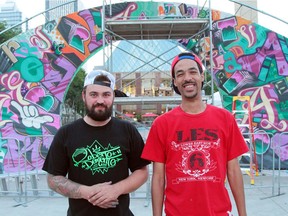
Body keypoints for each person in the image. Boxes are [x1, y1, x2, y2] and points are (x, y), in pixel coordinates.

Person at [141, 52, 248, 216]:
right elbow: (158, 178)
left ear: (202, 76)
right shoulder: (161, 124)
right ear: (175, 82)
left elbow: (234, 171)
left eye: (192, 72)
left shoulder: (225, 118)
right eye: (180, 74)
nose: (187, 78)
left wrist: (243, 214)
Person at [43, 69, 150, 216]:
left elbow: (142, 172)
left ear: (113, 97)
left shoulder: (127, 130)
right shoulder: (66, 133)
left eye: (106, 94)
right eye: (94, 94)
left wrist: (116, 189)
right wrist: (86, 192)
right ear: (84, 96)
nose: (100, 100)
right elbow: (53, 179)